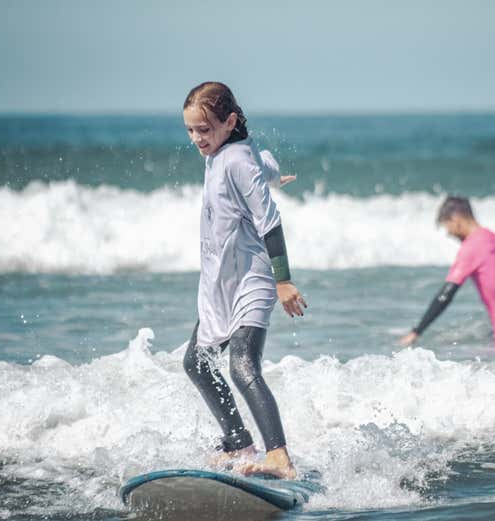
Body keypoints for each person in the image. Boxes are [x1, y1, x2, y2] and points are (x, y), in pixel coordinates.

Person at [181, 82, 305, 480]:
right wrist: (272, 174)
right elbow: (261, 160)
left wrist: (283, 281)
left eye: (205, 129)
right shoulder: (223, 153)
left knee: (241, 365)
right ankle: (239, 443)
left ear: (229, 121)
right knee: (197, 362)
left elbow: (270, 221)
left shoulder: (234, 160)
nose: (197, 138)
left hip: (252, 278)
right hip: (221, 282)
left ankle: (279, 458)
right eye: (191, 130)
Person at [400, 196, 495, 345]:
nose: (449, 234)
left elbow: (445, 295)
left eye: (448, 227)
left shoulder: (471, 248)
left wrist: (416, 332)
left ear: (456, 219)